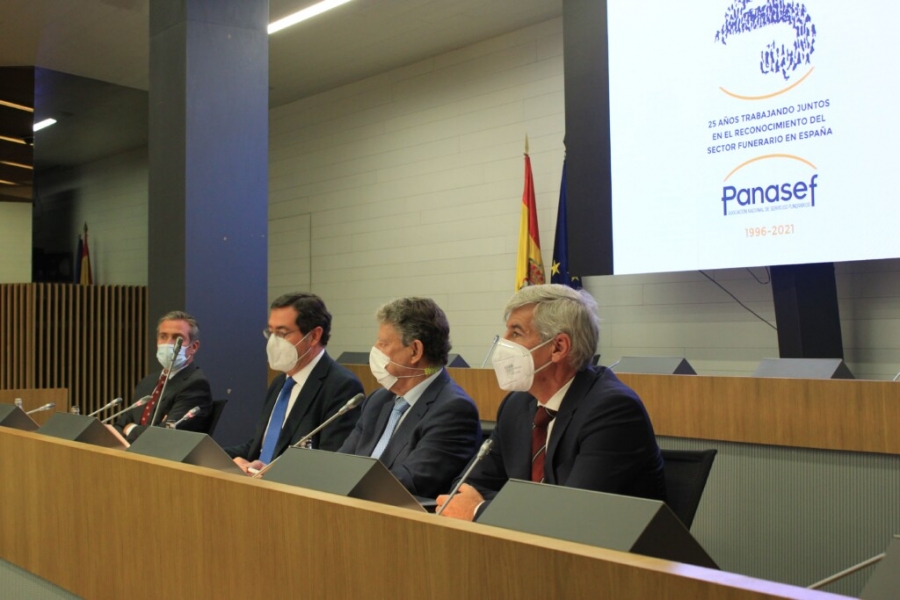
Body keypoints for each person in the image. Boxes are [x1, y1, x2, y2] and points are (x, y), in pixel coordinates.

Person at [437, 284, 665, 520]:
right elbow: (467, 487)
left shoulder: (613, 411)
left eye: (516, 333)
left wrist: (479, 511)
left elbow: (573, 514)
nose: (503, 344)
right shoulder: (516, 405)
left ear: (558, 347)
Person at [338, 297, 481, 499]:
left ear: (415, 351)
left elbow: (411, 481)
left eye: (383, 344)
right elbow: (341, 462)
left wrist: (344, 487)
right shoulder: (378, 400)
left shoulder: (453, 409)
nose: (375, 351)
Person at [226, 292, 364, 475]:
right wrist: (222, 459)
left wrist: (270, 471)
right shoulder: (280, 382)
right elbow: (261, 446)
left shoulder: (341, 386)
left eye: (282, 333)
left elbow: (330, 462)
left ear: (314, 336)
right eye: (271, 332)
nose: (273, 342)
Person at [114, 311, 213, 443]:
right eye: (163, 336)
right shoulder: (148, 382)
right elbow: (120, 425)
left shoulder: (195, 384)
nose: (168, 343)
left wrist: (131, 429)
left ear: (193, 347)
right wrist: (130, 428)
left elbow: (164, 436)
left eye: (177, 338)